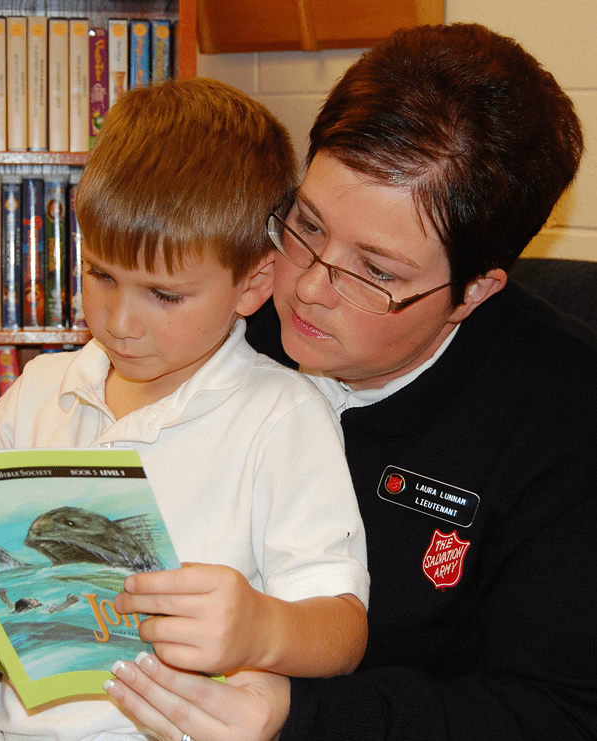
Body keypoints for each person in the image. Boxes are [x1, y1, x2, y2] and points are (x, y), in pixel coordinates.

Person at [0, 78, 370, 741]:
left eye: (164, 295)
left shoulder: (282, 414)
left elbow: (342, 628)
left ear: (252, 283)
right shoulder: (43, 386)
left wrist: (262, 624)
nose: (119, 321)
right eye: (100, 275)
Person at [100, 22, 597, 741]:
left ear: (474, 291)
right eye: (305, 223)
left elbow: (555, 712)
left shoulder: (568, 421)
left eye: (375, 272)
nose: (305, 288)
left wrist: (297, 718)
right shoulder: (236, 301)